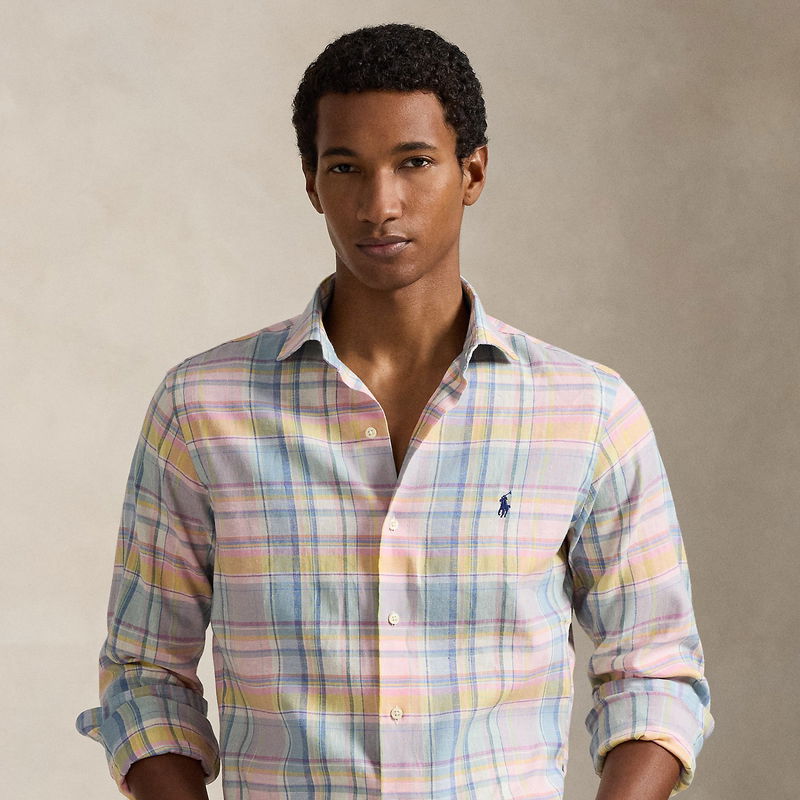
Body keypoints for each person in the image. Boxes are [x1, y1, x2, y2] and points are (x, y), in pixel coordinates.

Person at [76, 23, 713, 800]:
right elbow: (144, 678)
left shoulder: (588, 415)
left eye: (414, 162)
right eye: (346, 167)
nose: (380, 204)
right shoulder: (202, 411)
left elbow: (654, 674)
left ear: (472, 171)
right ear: (311, 183)